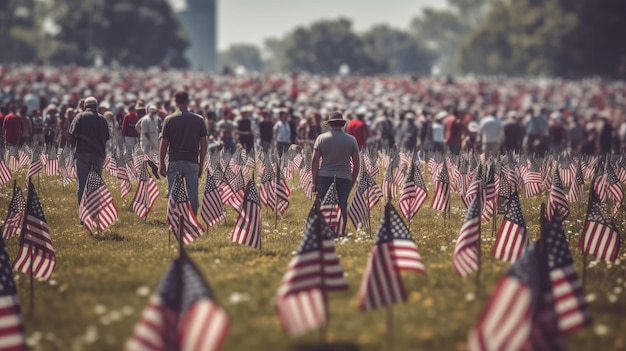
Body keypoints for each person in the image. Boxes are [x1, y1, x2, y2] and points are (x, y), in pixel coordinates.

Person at [158, 91, 208, 215]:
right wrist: (201, 164)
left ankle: (174, 221)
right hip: (192, 160)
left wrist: (161, 163)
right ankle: (193, 221)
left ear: (176, 102)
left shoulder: (169, 120)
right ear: (188, 102)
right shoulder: (199, 120)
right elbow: (204, 144)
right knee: (193, 195)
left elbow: (164, 143)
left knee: (173, 194)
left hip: (174, 159)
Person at [311, 111, 360, 232]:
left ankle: (325, 231)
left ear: (329, 124)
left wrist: (313, 181)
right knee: (342, 204)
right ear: (342, 124)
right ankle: (340, 230)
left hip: (324, 176)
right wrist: (352, 179)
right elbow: (357, 163)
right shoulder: (351, 139)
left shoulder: (321, 138)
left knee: (324, 204)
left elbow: (314, 160)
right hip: (344, 176)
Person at [69, 96, 109, 205]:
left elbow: (72, 132)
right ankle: (95, 207)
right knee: (96, 183)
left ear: (85, 105)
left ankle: (83, 210)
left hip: (83, 153)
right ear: (96, 106)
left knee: (83, 183)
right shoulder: (103, 119)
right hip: (99, 154)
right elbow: (107, 137)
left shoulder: (80, 116)